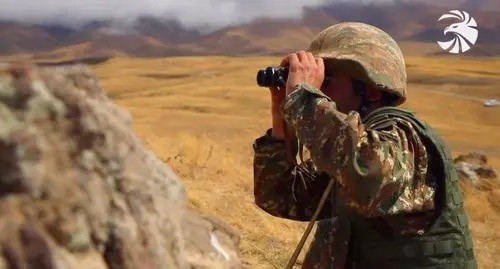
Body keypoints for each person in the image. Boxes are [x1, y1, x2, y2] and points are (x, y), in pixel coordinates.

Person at [252, 22, 477, 268]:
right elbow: (281, 196)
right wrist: (280, 121)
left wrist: (303, 101)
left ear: (370, 90)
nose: (319, 93)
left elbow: (366, 176)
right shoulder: (346, 147)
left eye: (324, 81)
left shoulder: (405, 139)